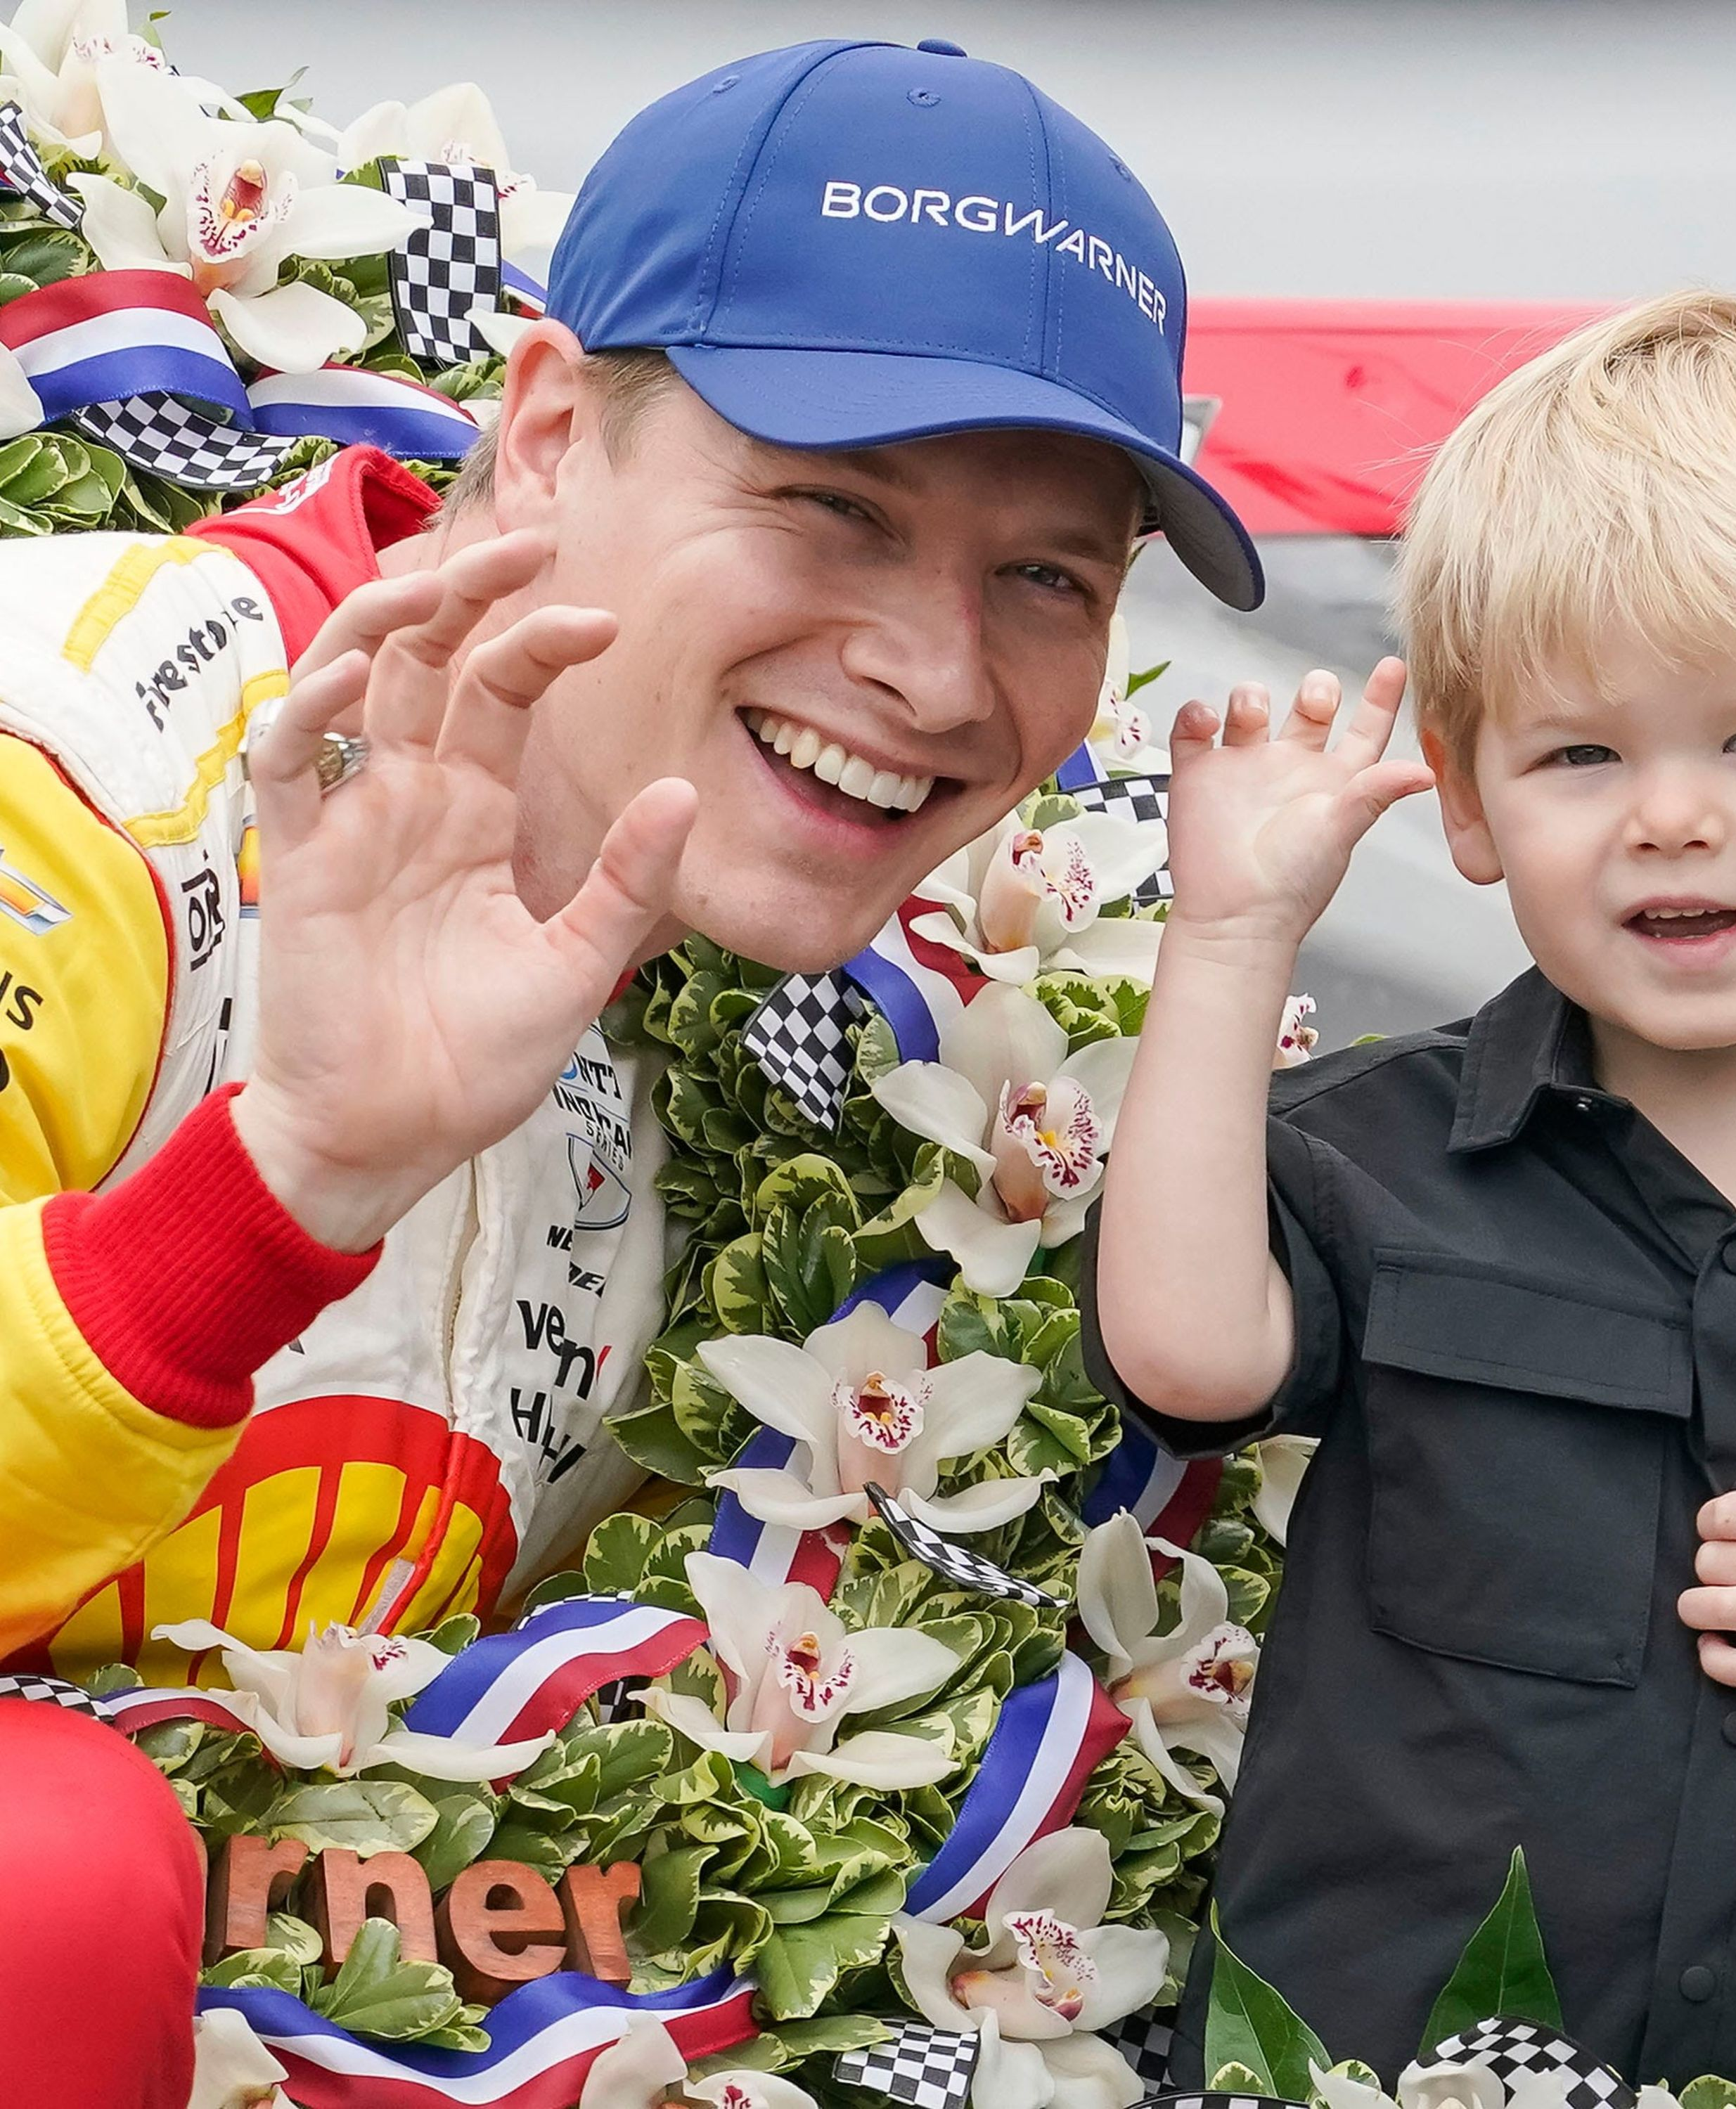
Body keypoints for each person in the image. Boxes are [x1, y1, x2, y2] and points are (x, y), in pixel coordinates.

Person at [0, 38, 1261, 2103]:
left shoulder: (863, 1048)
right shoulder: (70, 754)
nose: (941, 678)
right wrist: (287, 1180)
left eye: (1048, 575)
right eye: (832, 509)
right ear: (553, 422)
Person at [1086, 280, 1736, 2087]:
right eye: (1580, 756)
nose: (1671, 816)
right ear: (1469, 811)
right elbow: (1186, 1351)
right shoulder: (1379, 1155)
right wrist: (1231, 939)